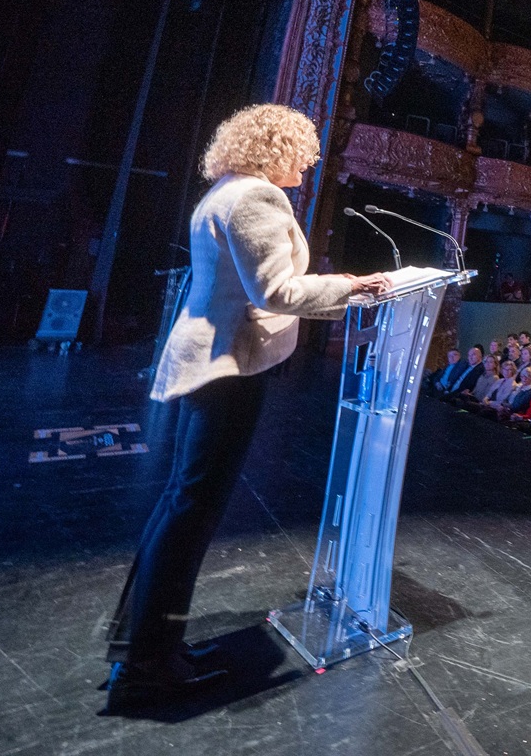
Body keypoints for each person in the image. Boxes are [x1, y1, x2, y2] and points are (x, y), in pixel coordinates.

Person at [105, 104, 394, 709]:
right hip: (228, 367)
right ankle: (150, 662)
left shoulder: (223, 192)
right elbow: (277, 292)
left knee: (181, 504)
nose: (310, 162)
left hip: (211, 362)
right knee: (191, 511)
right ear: (275, 148)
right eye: (303, 149)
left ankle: (145, 647)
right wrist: (355, 287)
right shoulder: (259, 198)